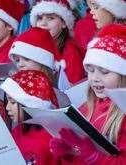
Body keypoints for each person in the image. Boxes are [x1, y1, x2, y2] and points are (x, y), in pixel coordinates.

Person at [49, 24, 126, 164]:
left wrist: (95, 158)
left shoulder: (123, 114)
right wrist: (70, 153)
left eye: (104, 72)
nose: (95, 78)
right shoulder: (86, 108)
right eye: (90, 70)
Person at [0, 70, 58, 164]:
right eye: (7, 101)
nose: (7, 107)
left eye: (13, 102)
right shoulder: (17, 131)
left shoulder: (51, 137)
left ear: (30, 104)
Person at [30, 0, 85, 84]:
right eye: (40, 18)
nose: (43, 23)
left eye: (50, 18)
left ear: (64, 23)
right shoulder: (34, 47)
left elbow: (73, 90)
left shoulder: (71, 51)